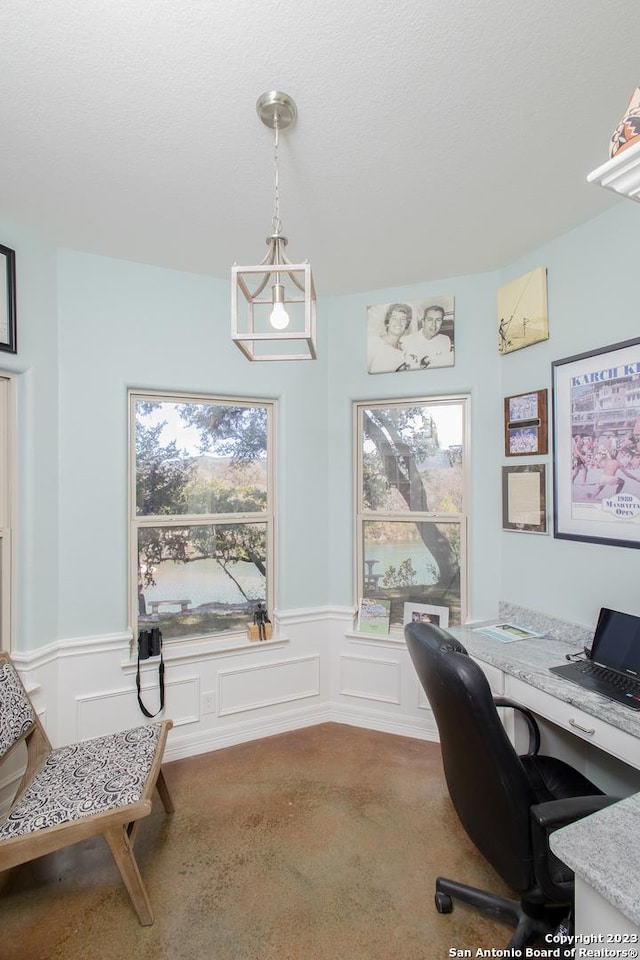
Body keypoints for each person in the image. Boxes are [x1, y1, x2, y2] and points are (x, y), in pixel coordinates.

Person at [401, 304, 454, 369]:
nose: (434, 324)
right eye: (430, 319)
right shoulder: (405, 341)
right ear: (423, 322)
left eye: (438, 320)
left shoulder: (445, 340)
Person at [367, 303, 413, 373]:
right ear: (388, 322)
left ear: (407, 324)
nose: (399, 322)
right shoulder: (374, 343)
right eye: (394, 318)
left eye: (403, 319)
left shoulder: (404, 348)